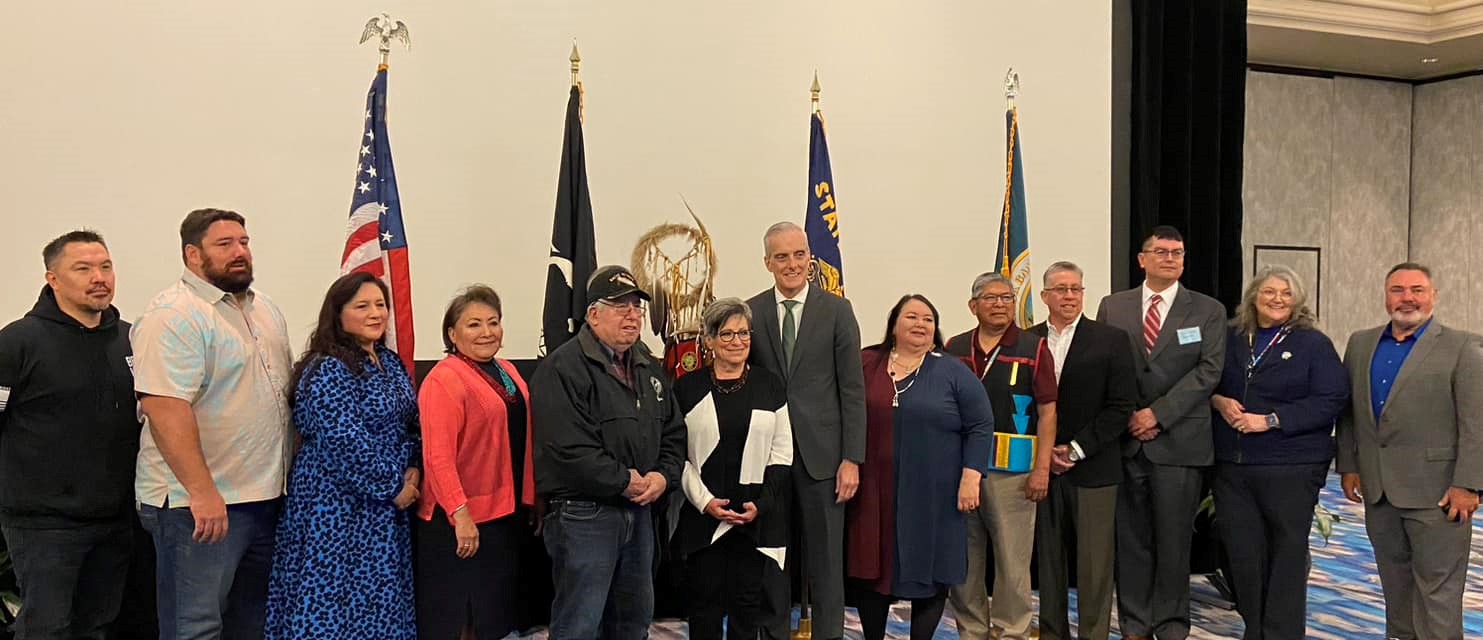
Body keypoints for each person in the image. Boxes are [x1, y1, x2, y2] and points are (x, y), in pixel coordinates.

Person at [132, 208, 294, 639]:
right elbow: (165, 410)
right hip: (201, 507)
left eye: (243, 241)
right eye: (224, 245)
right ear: (192, 254)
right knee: (195, 627)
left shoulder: (264, 309)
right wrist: (202, 492)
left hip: (263, 498)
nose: (239, 252)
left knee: (251, 623)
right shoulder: (173, 314)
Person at [531, 265, 686, 640]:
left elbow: (674, 434)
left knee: (633, 622)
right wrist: (624, 481)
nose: (632, 315)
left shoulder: (648, 368)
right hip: (584, 516)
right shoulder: (561, 368)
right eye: (621, 307)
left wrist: (663, 476)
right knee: (580, 623)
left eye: (637, 307)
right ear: (593, 314)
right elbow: (567, 449)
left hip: (641, 512)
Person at [262, 272, 421, 638]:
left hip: (385, 508)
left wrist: (413, 468)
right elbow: (341, 438)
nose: (375, 313)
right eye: (362, 306)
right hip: (334, 508)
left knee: (378, 602)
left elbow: (412, 423)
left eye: (380, 305)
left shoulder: (390, 362)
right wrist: (392, 484)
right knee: (332, 602)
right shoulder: (327, 368)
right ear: (338, 314)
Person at [0, 230, 139, 639]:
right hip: (44, 525)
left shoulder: (131, 339)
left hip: (116, 519)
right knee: (47, 629)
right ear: (52, 279)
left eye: (106, 266)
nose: (99, 277)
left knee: (98, 626)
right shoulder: (17, 343)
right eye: (83, 268)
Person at [1336, 262, 1481, 640]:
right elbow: (1350, 413)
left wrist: (1469, 484)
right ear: (1386, 297)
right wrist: (1349, 466)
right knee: (1395, 590)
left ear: (1434, 295)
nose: (1407, 298)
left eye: (1417, 289)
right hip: (1379, 490)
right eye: (1398, 290)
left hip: (1439, 493)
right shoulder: (1361, 343)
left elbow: (1476, 422)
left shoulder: (1463, 345)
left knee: (1438, 595)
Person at [1094, 225, 1226, 640]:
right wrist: (1131, 414)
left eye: (1178, 253)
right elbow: (1106, 368)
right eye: (1162, 251)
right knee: (1131, 542)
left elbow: (1209, 372)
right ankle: (1135, 623)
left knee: (1173, 543)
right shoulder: (1113, 307)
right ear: (1142, 259)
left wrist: (1157, 414)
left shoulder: (1207, 310)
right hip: (1127, 441)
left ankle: (1171, 624)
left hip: (1179, 442)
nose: (1170, 258)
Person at [1207, 265, 1348, 640]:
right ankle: (1255, 629)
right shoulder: (1232, 338)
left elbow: (1332, 398)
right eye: (1269, 292)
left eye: (1286, 293)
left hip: (1292, 465)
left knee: (1286, 555)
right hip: (1234, 467)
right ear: (1254, 296)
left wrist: (1270, 420)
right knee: (1243, 555)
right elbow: (1207, 382)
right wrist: (1219, 401)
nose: (1278, 299)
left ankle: (1283, 634)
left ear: (1297, 300)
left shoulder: (1312, 344)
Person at [746, 221, 866, 640]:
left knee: (826, 560)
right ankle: (774, 632)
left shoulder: (837, 310)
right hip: (769, 459)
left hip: (825, 458)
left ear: (810, 259)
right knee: (772, 555)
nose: (792, 264)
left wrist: (852, 458)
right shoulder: (752, 311)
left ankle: (829, 634)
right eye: (781, 256)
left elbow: (852, 389)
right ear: (767, 263)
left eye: (799, 255)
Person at [847, 294, 992, 640]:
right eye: (911, 317)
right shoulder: (866, 364)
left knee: (933, 569)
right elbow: (843, 414)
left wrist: (972, 476)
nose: (920, 324)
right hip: (873, 491)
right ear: (894, 324)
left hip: (934, 493)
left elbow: (981, 425)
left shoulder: (953, 370)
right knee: (873, 568)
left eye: (928, 319)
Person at [415, 285, 536, 640]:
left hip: (502, 514)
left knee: (492, 613)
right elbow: (437, 456)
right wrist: (460, 513)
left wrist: (532, 497)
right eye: (473, 325)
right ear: (452, 334)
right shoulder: (444, 378)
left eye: (493, 322)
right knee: (459, 615)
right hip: (459, 520)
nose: (486, 332)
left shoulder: (508, 371)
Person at [943, 273, 1058, 640]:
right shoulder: (955, 347)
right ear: (973, 306)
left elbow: (1048, 411)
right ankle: (972, 631)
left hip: (1015, 473)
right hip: (961, 472)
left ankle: (1012, 632)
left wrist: (1042, 469)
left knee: (1012, 562)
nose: (1000, 304)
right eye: (990, 298)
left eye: (1007, 298)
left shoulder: (1033, 347)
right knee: (964, 561)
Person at [1028, 261, 1138, 640]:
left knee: (1094, 567)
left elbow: (1122, 406)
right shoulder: (1028, 340)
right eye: (1060, 289)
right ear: (1044, 297)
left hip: (1094, 467)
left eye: (1076, 288)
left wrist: (1074, 449)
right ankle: (1051, 632)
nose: (1069, 296)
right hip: (1040, 470)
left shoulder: (1111, 340)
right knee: (1048, 563)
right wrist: (1045, 455)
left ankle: (1094, 634)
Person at [673, 298, 793, 640]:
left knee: (747, 605)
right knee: (704, 605)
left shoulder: (769, 385)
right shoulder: (687, 387)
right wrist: (705, 502)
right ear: (708, 340)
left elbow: (783, 452)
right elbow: (676, 455)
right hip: (703, 518)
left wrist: (763, 504)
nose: (737, 341)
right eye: (726, 334)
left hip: (753, 517)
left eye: (743, 333)